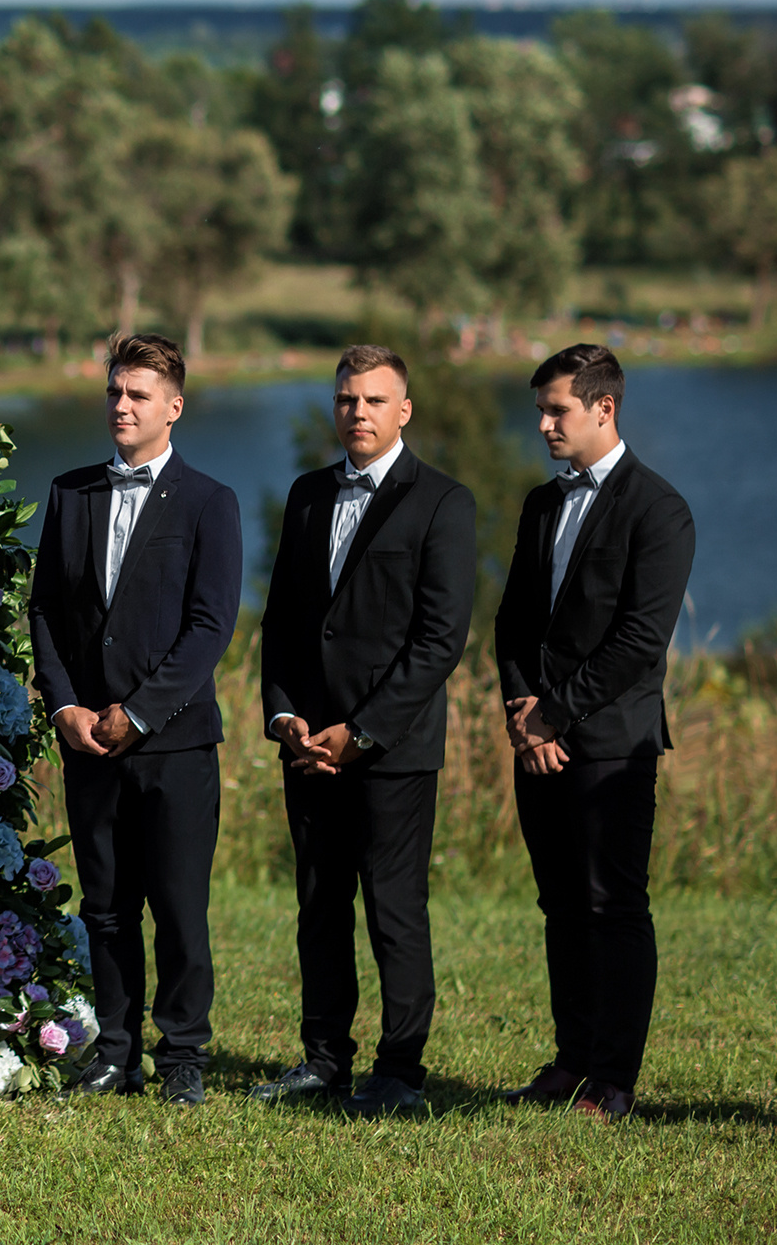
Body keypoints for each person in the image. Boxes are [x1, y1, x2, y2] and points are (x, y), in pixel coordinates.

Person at [252, 346, 476, 1116]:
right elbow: (280, 621)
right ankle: (323, 1060)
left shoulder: (443, 502)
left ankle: (400, 1072)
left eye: (375, 400)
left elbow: (439, 640)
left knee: (394, 910)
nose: (359, 412)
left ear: (403, 410)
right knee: (319, 905)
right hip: (307, 747)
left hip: (394, 748)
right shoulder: (309, 493)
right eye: (347, 399)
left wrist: (365, 732)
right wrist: (283, 716)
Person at [30, 333, 241, 1107]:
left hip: (176, 741)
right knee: (107, 908)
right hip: (88, 740)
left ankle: (182, 1054)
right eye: (115, 392)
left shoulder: (210, 501)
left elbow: (211, 625)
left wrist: (142, 713)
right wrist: (64, 707)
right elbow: (46, 609)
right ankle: (115, 1051)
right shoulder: (71, 491)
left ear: (173, 407)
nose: (121, 405)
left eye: (138, 395)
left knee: (180, 906)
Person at [494, 344, 694, 1123]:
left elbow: (641, 638)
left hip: (611, 743)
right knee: (561, 904)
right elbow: (512, 619)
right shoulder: (542, 505)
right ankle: (571, 1061)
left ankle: (614, 1080)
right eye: (540, 410)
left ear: (603, 408)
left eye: (557, 410)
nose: (542, 424)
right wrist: (522, 708)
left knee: (613, 906)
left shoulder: (659, 508)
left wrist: (556, 711)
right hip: (537, 737)